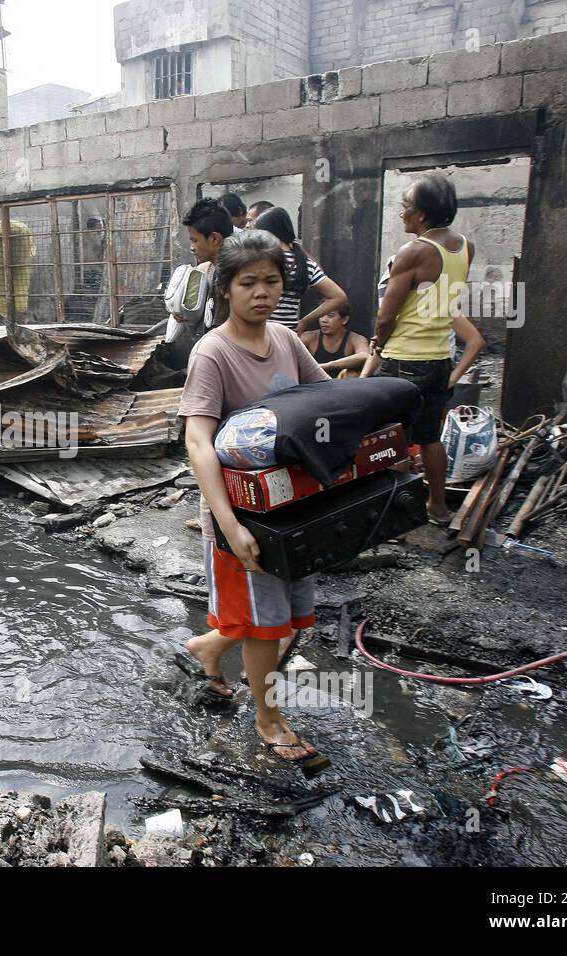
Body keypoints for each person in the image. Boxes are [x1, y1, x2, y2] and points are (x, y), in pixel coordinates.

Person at [179, 231, 331, 766]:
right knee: (269, 622)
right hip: (242, 514)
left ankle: (209, 647)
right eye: (248, 282)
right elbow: (199, 440)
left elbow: (320, 398)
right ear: (225, 289)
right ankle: (269, 719)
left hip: (292, 506)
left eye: (271, 281)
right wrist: (228, 524)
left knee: (288, 614)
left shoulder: (287, 340)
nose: (261, 292)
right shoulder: (212, 353)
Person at [362, 173, 475, 525]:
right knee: (429, 437)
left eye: (406, 207)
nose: (401, 213)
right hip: (440, 358)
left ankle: (397, 515)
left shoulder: (413, 252)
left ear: (422, 215)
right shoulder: (463, 246)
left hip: (404, 360)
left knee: (393, 439)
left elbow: (386, 314)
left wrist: (378, 342)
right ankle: (438, 507)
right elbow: (438, 300)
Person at [251, 207, 348, 334]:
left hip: (260, 334)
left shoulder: (261, 260)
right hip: (288, 336)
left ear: (267, 233)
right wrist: (304, 321)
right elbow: (339, 296)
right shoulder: (305, 263)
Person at [171, 198, 234, 347]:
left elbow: (220, 327)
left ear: (214, 238)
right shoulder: (213, 268)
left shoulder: (228, 273)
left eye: (195, 241)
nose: (192, 248)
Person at [300, 305, 369, 378]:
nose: (324, 320)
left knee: (352, 374)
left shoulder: (355, 339)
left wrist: (328, 365)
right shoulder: (308, 337)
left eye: (330, 316)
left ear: (344, 320)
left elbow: (364, 355)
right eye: (321, 315)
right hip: (314, 384)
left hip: (341, 385)